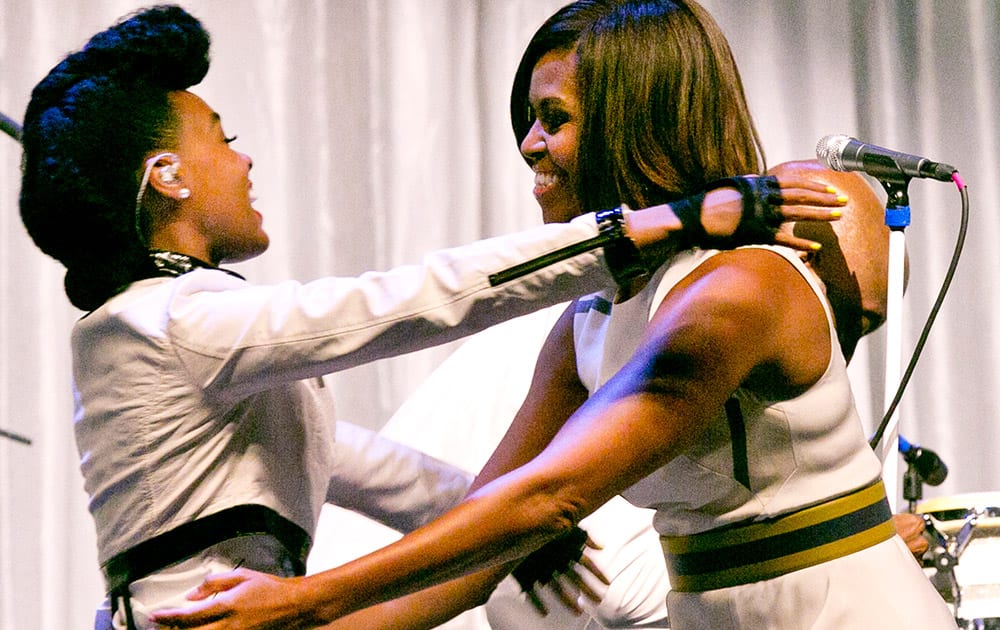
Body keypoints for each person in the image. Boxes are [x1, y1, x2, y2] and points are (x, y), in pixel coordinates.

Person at [16, 4, 844, 630]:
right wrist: (660, 222)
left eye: (552, 119)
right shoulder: (172, 322)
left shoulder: (187, 326)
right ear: (169, 177)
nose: (246, 157)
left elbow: (365, 466)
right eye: (222, 138)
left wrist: (512, 532)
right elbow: (413, 298)